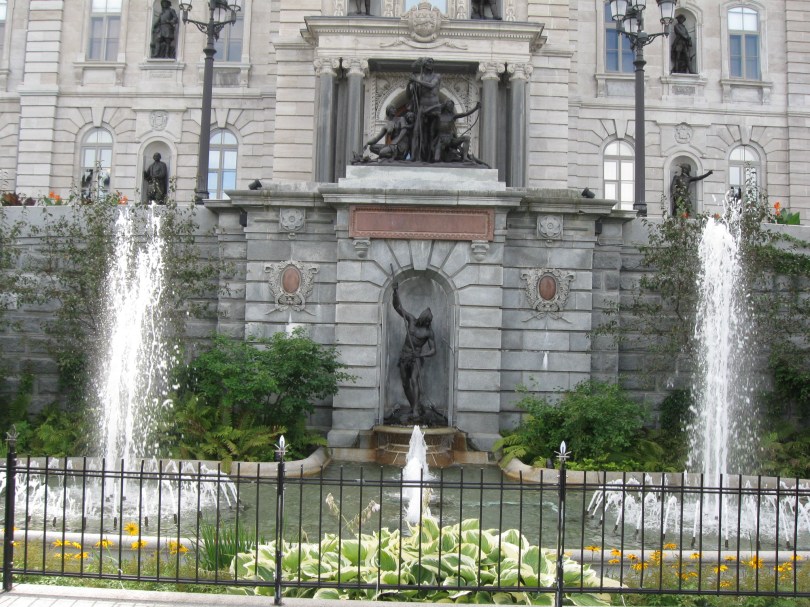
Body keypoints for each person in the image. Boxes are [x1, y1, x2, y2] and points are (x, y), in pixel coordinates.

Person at [392, 281, 436, 419]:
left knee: (413, 380)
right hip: (404, 356)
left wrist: (422, 354)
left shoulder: (429, 332)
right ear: (423, 318)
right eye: (427, 321)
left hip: (416, 358)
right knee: (405, 383)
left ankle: (416, 410)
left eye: (430, 321)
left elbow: (433, 350)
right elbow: (397, 307)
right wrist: (395, 293)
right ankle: (414, 406)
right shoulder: (411, 320)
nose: (429, 323)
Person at [408, 58, 442, 162]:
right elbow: (412, 94)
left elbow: (431, 86)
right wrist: (410, 84)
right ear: (424, 65)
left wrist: (416, 80)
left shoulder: (437, 76)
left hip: (434, 107)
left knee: (433, 133)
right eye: (428, 62)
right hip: (422, 107)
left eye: (432, 62)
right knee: (417, 131)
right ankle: (414, 156)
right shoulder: (420, 77)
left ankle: (433, 157)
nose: (430, 64)